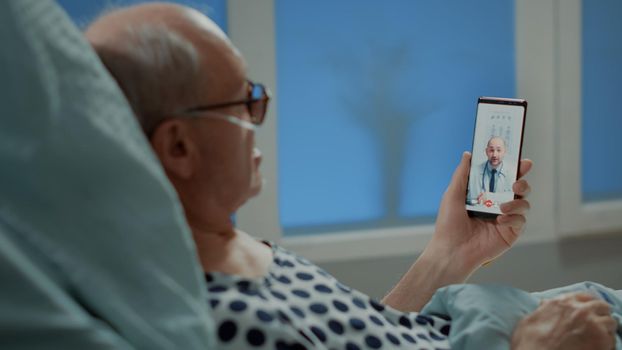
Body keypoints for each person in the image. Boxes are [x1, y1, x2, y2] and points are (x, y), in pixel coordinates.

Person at [86, 3, 617, 349]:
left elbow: (367, 338)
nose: (258, 118)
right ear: (179, 146)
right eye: (245, 101)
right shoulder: (216, 322)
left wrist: (449, 255)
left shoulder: (235, 247)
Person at [468, 136, 516, 206]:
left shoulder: (512, 173)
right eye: (491, 150)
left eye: (499, 150)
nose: (494, 155)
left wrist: (490, 197)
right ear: (486, 151)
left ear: (504, 152)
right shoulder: (474, 172)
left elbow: (513, 197)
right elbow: (469, 198)